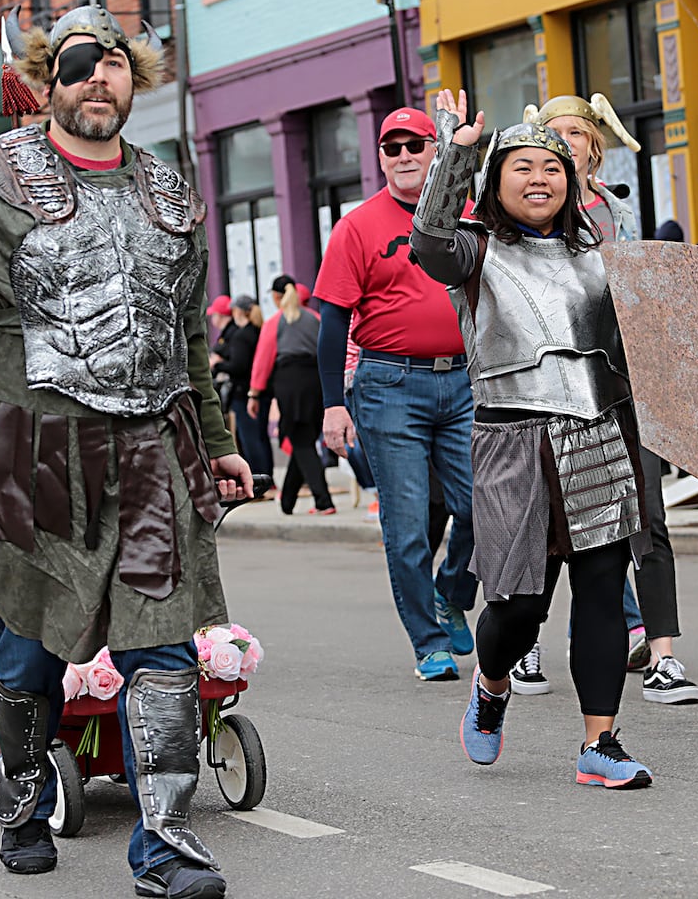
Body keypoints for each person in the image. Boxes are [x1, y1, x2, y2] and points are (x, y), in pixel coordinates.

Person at [0, 4, 249, 897]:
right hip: (32, 452)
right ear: (48, 83)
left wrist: (217, 444)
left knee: (163, 649)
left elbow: (184, 342)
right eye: (81, 62)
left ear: (137, 80)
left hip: (149, 453)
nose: (100, 75)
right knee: (26, 655)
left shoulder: (170, 190)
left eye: (116, 61)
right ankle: (19, 794)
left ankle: (165, 847)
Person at [412, 88, 654, 788]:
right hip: (512, 440)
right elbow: (428, 239)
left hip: (599, 432)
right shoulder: (474, 251)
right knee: (519, 606)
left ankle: (600, 744)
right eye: (521, 167)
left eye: (551, 168)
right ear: (496, 182)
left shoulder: (601, 255)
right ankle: (491, 685)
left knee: (604, 589)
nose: (539, 179)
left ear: (572, 183)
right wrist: (455, 158)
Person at [518, 93, 698, 705]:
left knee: (645, 512)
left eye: (577, 133)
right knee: (542, 519)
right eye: (555, 133)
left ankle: (664, 654)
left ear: (595, 147)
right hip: (549, 389)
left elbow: (644, 297)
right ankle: (523, 643)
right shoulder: (522, 217)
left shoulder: (619, 215)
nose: (567, 142)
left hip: (625, 383)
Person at [314, 106, 477, 681]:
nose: (405, 155)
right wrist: (334, 403)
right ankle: (428, 643)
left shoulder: (466, 214)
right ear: (380, 157)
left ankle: (450, 590)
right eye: (392, 146)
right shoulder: (357, 227)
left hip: (464, 379)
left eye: (416, 144)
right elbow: (332, 323)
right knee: (407, 525)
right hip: (389, 385)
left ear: (436, 150)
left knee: (485, 508)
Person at [249, 276, 334, 515]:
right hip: (316, 384)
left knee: (301, 441)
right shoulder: (316, 319)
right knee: (303, 439)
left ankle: (323, 501)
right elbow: (327, 352)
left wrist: (254, 394)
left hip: (290, 384)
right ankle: (287, 501)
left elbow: (263, 361)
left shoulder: (276, 322)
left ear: (277, 297)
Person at [215, 294, 272, 477]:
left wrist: (217, 364)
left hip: (245, 393)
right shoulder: (257, 330)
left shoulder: (242, 335)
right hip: (261, 391)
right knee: (261, 437)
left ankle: (258, 479)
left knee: (250, 439)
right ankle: (267, 478)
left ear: (237, 311)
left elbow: (238, 366)